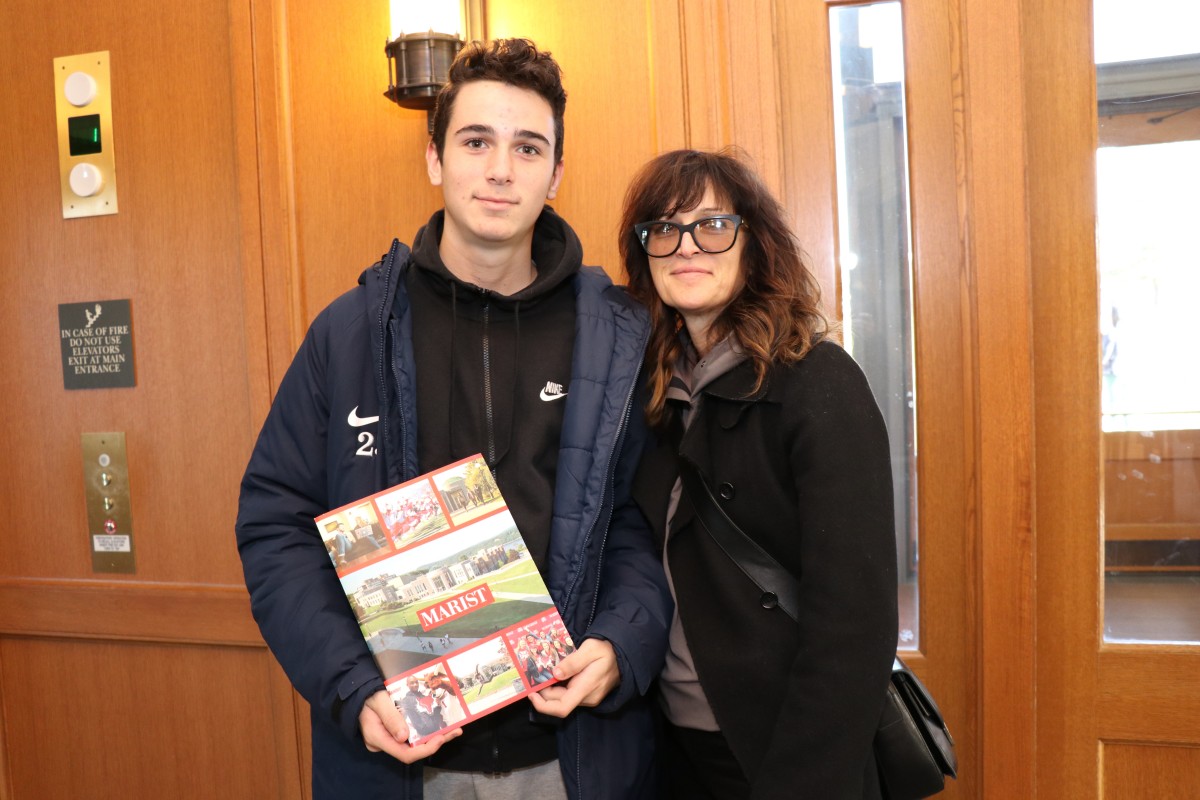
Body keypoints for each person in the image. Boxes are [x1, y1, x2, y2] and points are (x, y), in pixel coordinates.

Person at [236, 38, 671, 800]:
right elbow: (276, 524)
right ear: (435, 157)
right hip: (403, 761)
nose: (501, 169)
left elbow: (646, 520)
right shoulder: (348, 335)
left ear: (556, 174)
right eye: (476, 141)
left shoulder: (618, 334)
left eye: (527, 147)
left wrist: (620, 641)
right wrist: (352, 686)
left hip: (576, 759)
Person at [619, 148, 898, 799]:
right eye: (663, 228)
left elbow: (853, 626)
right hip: (672, 751)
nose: (687, 246)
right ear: (645, 254)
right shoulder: (651, 397)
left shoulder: (817, 383)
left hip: (785, 754)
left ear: (755, 243)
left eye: (713, 225)